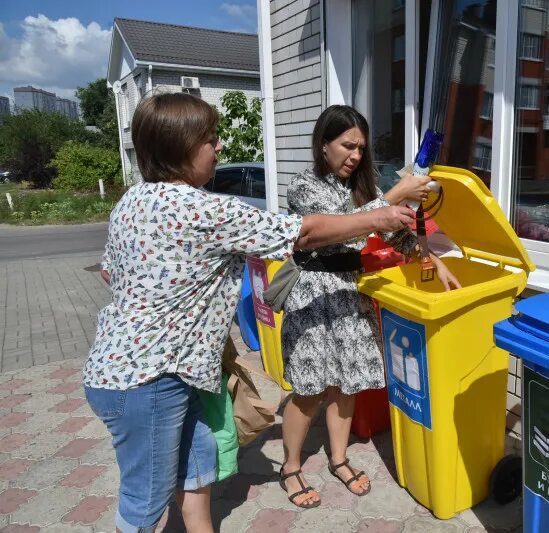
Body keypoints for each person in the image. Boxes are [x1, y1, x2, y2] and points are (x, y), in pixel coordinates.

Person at [82, 93, 416, 533]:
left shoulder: (131, 201)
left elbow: (110, 272)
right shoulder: (203, 209)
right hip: (148, 378)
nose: (219, 148)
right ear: (179, 146)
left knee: (197, 477)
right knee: (144, 506)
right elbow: (308, 231)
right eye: (211, 139)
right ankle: (290, 467)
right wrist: (385, 212)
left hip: (149, 369)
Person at [278, 105, 461, 508]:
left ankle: (339, 459)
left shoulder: (363, 189)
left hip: (349, 292)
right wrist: (391, 198)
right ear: (324, 144)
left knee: (347, 385)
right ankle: (290, 466)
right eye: (347, 145)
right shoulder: (303, 185)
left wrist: (431, 258)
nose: (355, 156)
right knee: (310, 389)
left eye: (361, 148)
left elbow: (391, 231)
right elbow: (323, 231)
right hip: (313, 293)